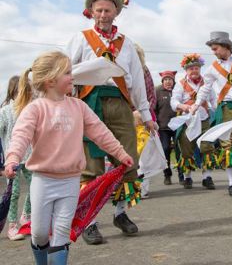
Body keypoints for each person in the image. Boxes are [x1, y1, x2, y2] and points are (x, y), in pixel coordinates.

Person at [4, 51, 133, 265]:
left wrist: (120, 152)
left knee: (62, 231)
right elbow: (20, 136)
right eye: (67, 73)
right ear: (50, 80)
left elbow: (101, 132)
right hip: (43, 180)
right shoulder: (35, 109)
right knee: (40, 233)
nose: (72, 77)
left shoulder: (79, 107)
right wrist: (12, 159)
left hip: (71, 181)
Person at [66, 0, 156, 245]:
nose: (103, 15)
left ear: (116, 11)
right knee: (91, 164)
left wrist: (146, 114)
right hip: (89, 102)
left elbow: (137, 81)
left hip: (120, 103)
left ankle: (120, 213)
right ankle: (90, 222)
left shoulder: (127, 45)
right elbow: (67, 71)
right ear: (91, 12)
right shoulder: (80, 39)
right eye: (99, 10)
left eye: (108, 10)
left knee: (126, 157)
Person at [192, 31, 232, 197]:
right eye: (212, 49)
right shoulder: (213, 68)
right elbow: (205, 88)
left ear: (226, 46)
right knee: (227, 144)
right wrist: (197, 104)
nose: (214, 52)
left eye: (216, 48)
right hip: (226, 107)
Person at [170, 53, 217, 189]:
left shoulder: (207, 83)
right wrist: (183, 106)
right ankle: (187, 177)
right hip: (187, 121)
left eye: (196, 68)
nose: (194, 70)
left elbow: (213, 100)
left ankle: (207, 177)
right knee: (186, 150)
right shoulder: (180, 84)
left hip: (204, 119)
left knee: (207, 147)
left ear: (200, 69)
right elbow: (174, 102)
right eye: (191, 68)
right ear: (186, 70)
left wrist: (216, 110)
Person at [0, 75, 32, 241]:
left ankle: (26, 216)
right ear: (14, 90)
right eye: (22, 89)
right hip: (12, 159)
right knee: (14, 192)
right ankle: (12, 225)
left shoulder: (30, 108)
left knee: (36, 188)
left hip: (30, 157)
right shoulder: (5, 111)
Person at [155, 70, 181, 185]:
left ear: (173, 81)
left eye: (170, 79)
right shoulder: (157, 91)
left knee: (180, 150)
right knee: (165, 149)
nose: (168, 82)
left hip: (178, 126)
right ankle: (167, 174)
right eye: (165, 80)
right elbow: (154, 108)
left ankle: (182, 175)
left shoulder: (178, 89)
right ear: (162, 81)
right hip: (163, 126)